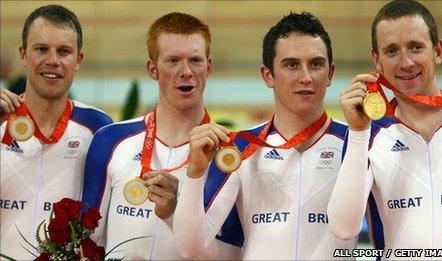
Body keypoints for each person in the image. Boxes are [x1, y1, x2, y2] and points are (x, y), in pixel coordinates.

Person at [174, 12, 358, 260]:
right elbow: (190, 247)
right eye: (292, 65)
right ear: (268, 75)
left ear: (330, 73)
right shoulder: (239, 148)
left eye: (315, 64)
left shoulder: (356, 142)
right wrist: (195, 174)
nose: (306, 77)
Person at [81, 12, 241, 260]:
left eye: (195, 60)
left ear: (209, 67)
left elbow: (234, 254)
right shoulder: (111, 140)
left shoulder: (229, 154)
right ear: (152, 69)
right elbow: (87, 240)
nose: (186, 71)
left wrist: (173, 213)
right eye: (173, 60)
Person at [327, 0, 442, 257]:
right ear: (377, 61)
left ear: (438, 51)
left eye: (415, 47)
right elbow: (343, 227)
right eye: (392, 51)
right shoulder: (369, 134)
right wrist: (357, 133)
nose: (406, 62)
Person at [0, 5, 112, 260]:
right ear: (23, 54)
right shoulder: (1, 119)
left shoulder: (99, 129)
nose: (53, 60)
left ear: (78, 61)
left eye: (64, 51)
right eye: (41, 49)